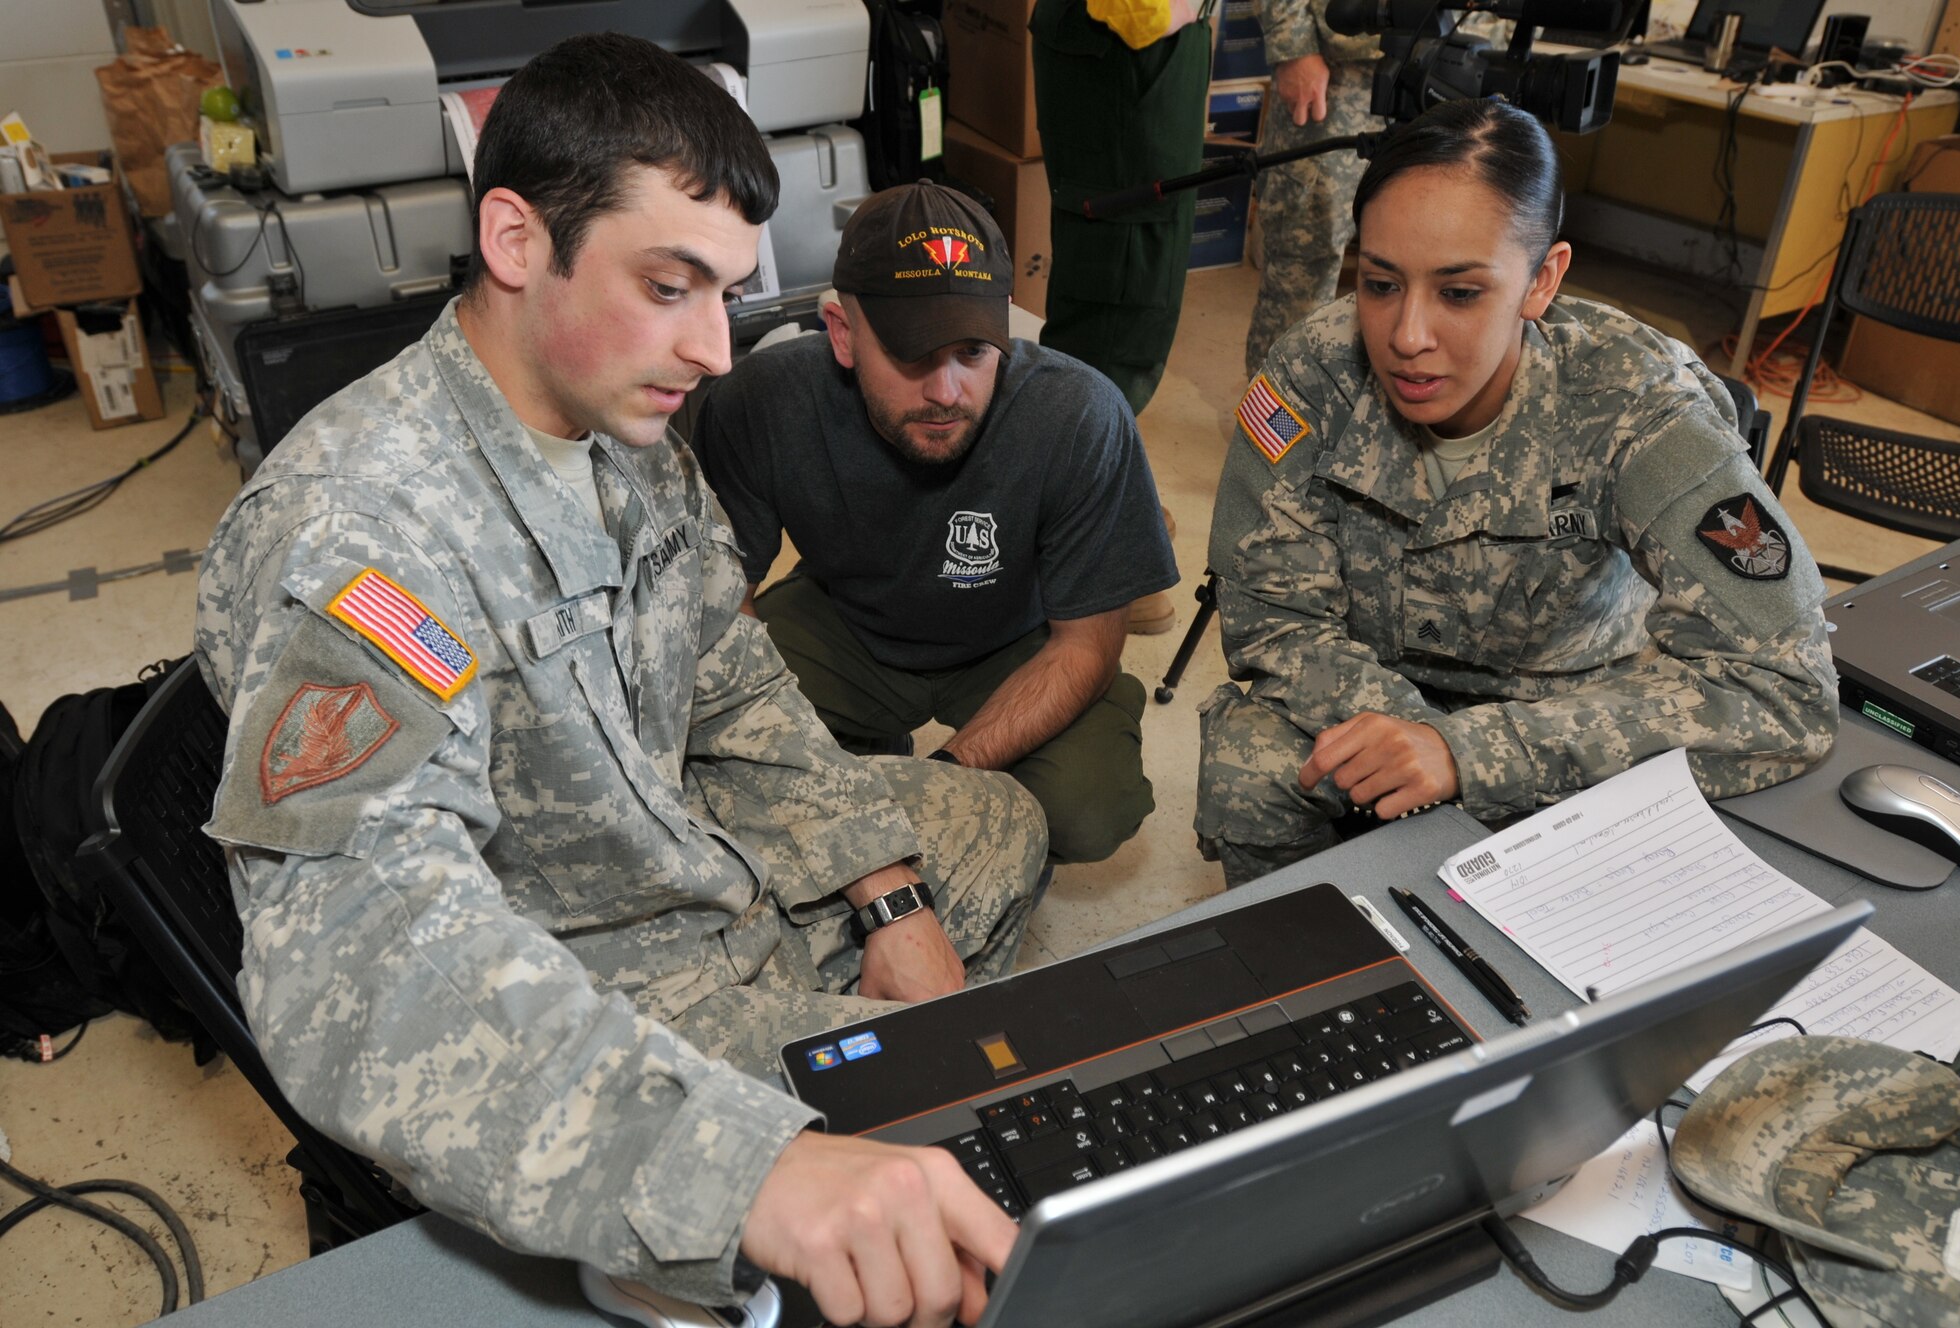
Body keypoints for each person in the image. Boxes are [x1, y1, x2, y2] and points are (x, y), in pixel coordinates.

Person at [193, 36, 1044, 1328]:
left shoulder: (618, 422)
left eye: (729, 294)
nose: (714, 348)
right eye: (671, 286)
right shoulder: (364, 533)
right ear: (517, 240)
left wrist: (885, 894)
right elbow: (360, 953)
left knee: (996, 829)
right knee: (931, 1192)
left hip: (693, 876)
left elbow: (731, 682)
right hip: (575, 987)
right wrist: (743, 1170)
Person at [1196, 98, 1838, 889]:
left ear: (1543, 280)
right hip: (1365, 682)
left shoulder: (1634, 401)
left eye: (1460, 293)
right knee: (1248, 766)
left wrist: (1474, 755)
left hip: (1566, 710)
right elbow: (1273, 622)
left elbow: (1788, 688)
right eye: (1380, 283)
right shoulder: (1312, 376)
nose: (1407, 336)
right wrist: (1408, 735)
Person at [693, 182, 1178, 869]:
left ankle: (884, 772)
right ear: (842, 333)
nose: (947, 393)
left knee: (1088, 809)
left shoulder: (1079, 415)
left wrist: (946, 776)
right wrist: (773, 743)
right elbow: (724, 606)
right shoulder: (762, 401)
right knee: (706, 757)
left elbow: (1086, 646)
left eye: (973, 353)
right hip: (847, 619)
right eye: (914, 357)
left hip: (1017, 635)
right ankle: (862, 747)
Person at [1031, 0, 1211, 417]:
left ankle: (1077, 453)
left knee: (1131, 280)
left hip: (1143, 49)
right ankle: (1068, 464)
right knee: (1118, 293)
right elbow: (1137, 9)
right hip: (1129, 44)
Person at [1244, 0, 1381, 378]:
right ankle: (1275, 420)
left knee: (1439, 264)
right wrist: (1293, 45)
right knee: (1304, 253)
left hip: (1464, 58)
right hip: (1339, 69)